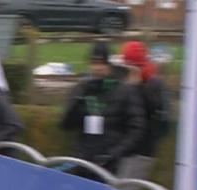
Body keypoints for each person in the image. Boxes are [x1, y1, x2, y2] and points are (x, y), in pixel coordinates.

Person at [60, 41, 145, 175]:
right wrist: (78, 100)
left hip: (109, 165)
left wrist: (114, 153)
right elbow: (66, 124)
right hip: (82, 160)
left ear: (109, 64)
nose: (97, 67)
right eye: (94, 62)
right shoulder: (82, 89)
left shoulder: (124, 91)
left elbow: (136, 128)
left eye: (101, 63)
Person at [117, 40, 169, 182]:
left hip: (140, 152)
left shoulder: (151, 85)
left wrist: (134, 88)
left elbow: (144, 115)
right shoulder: (137, 83)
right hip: (127, 150)